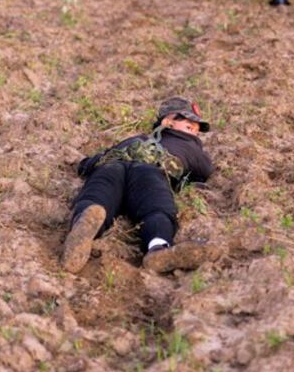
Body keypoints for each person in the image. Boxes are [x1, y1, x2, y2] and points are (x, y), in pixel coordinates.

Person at [61, 97, 214, 274]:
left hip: (112, 167)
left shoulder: (136, 139)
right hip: (150, 172)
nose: (194, 129)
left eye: (197, 128)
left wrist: (87, 164)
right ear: (168, 121)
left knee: (96, 198)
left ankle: (81, 232)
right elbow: (204, 171)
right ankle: (158, 247)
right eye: (188, 123)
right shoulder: (191, 146)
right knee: (157, 207)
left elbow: (89, 164)